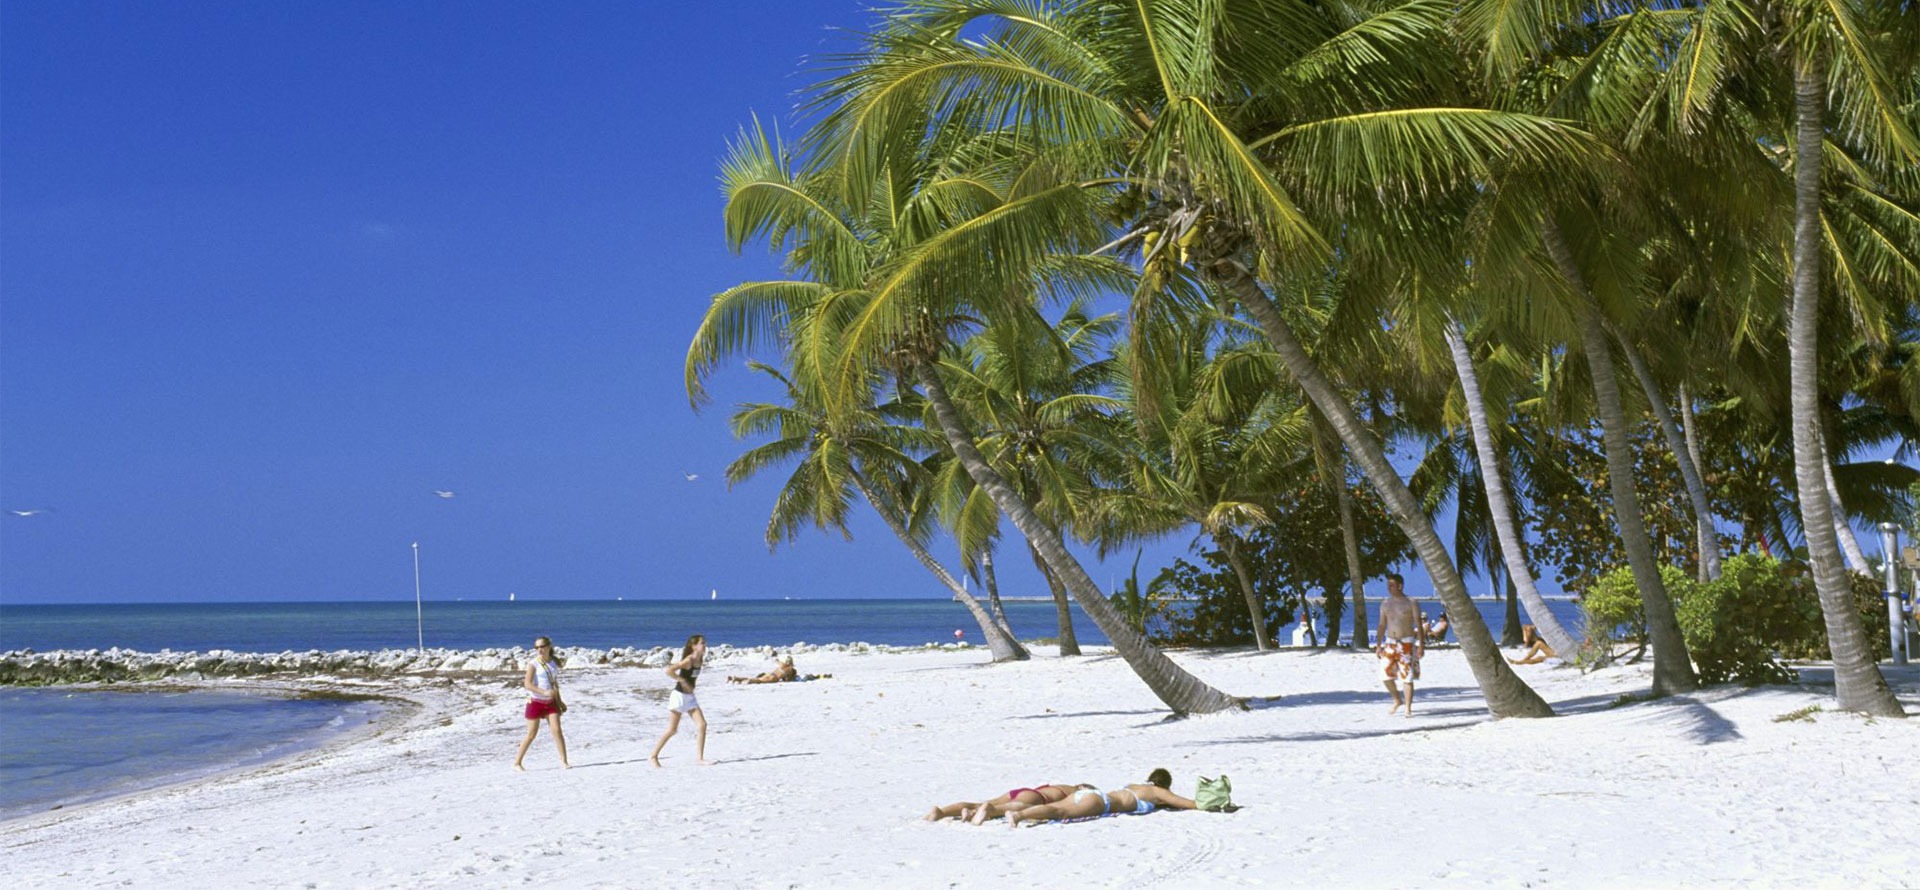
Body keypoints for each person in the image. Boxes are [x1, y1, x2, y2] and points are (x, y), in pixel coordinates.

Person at [1006, 769, 1197, 827]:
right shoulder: (1158, 792)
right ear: (1164, 784)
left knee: (1055, 806)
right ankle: (1018, 816)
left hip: (1093, 794)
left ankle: (1016, 811)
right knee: (1059, 811)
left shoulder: (1134, 785)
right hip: (1101, 803)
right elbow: (1188, 804)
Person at [649, 633, 712, 767]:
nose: (705, 645)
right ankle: (653, 756)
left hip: (690, 698)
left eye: (704, 643)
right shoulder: (688, 660)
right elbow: (669, 670)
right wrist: (681, 680)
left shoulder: (700, 659)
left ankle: (700, 759)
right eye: (702, 643)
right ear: (694, 646)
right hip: (678, 696)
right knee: (672, 730)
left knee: (702, 725)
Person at [512, 636, 570, 770]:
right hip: (535, 702)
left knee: (557, 730)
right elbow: (527, 684)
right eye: (536, 647)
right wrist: (543, 692)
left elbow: (554, 684)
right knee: (531, 734)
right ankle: (517, 763)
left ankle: (564, 761)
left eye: (542, 646)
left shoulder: (553, 663)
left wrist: (560, 701)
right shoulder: (534, 664)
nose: (539, 649)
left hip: (551, 703)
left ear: (549, 646)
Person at [1373, 573, 1424, 717]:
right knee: (1385, 675)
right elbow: (1382, 624)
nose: (1389, 588)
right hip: (1390, 643)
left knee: (1406, 677)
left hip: (1406, 643)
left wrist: (1421, 645)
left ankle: (1408, 708)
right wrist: (1378, 645)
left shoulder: (1411, 602)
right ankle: (1397, 699)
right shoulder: (1385, 603)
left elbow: (1419, 624)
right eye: (1388, 585)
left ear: (1400, 586)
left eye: (1391, 585)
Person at [921, 783, 1082, 823]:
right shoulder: (1073, 791)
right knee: (1014, 806)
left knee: (977, 804)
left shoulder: (1060, 785)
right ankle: (991, 810)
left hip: (1021, 790)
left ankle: (941, 812)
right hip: (1037, 796)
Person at [728, 654, 799, 684]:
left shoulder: (782, 664)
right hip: (774, 678)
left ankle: (736, 678)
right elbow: (787, 680)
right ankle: (748, 681)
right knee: (759, 681)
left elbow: (776, 660)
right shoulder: (791, 670)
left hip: (770, 673)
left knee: (759, 679)